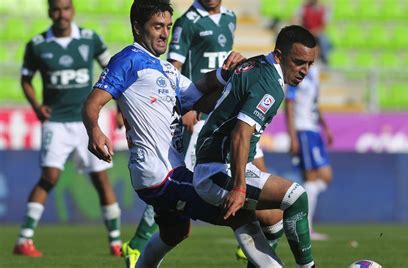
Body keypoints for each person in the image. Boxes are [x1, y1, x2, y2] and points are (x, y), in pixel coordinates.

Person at [83, 1, 283, 267]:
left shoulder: (165, 68)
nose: (164, 33)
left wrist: (229, 76)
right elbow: (92, 103)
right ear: (137, 27)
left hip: (170, 170)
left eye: (167, 26)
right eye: (157, 26)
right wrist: (94, 130)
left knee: (176, 232)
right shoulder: (128, 59)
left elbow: (199, 96)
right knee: (240, 214)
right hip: (159, 174)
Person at [193, 25, 318, 267]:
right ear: (280, 56)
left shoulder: (254, 64)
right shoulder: (269, 84)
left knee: (272, 220)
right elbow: (241, 133)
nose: (305, 70)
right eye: (299, 62)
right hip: (217, 171)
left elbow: (220, 98)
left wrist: (196, 107)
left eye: (310, 64)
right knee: (296, 196)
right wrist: (239, 188)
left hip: (222, 165)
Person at [13, 0, 122, 257]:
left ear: (72, 11)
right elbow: (26, 80)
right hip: (56, 123)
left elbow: (113, 71)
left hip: (89, 122)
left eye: (65, 8)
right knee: (49, 177)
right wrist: (37, 107)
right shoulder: (37, 45)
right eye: (56, 9)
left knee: (101, 179)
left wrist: (120, 108)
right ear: (50, 12)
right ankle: (23, 240)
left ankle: (115, 242)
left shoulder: (90, 39)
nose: (61, 14)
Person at [285, 51, 333, 241]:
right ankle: (307, 228)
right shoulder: (298, 72)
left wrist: (325, 126)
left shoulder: (315, 72)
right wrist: (293, 136)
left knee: (325, 176)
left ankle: (295, 210)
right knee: (311, 177)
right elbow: (289, 103)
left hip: (314, 129)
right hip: (302, 129)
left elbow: (314, 103)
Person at [293, 0, 331, 64]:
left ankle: (324, 58)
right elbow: (295, 19)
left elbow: (323, 27)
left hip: (317, 33)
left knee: (324, 40)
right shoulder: (304, 7)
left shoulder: (324, 9)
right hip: (306, 31)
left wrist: (313, 32)